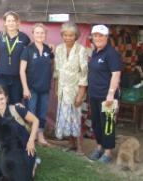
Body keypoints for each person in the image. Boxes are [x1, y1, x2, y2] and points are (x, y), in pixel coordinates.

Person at [88, 25, 121, 163]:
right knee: (96, 124)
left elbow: (116, 74)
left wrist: (110, 94)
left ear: (106, 37)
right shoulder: (95, 52)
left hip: (107, 96)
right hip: (94, 95)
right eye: (95, 35)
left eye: (101, 35)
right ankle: (100, 147)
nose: (98, 38)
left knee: (107, 125)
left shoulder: (111, 53)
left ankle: (108, 153)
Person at [0, 84, 39, 177]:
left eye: (2, 99)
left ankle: (34, 163)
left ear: (6, 98)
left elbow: (36, 120)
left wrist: (31, 140)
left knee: (24, 176)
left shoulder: (16, 109)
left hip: (25, 148)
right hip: (10, 151)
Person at [54, 22, 88, 155]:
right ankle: (71, 143)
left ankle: (80, 146)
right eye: (65, 35)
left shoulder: (81, 50)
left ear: (76, 36)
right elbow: (56, 71)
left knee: (76, 117)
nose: (68, 37)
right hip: (62, 90)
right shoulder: (59, 49)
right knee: (65, 117)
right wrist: (57, 89)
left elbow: (84, 73)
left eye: (71, 35)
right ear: (62, 35)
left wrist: (80, 95)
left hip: (75, 90)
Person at [20, 23, 54, 146]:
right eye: (37, 32)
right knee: (31, 112)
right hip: (31, 88)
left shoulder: (48, 49)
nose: (40, 35)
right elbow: (22, 70)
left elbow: (52, 65)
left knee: (42, 112)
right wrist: (25, 88)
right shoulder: (27, 49)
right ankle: (31, 136)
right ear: (33, 34)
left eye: (42, 33)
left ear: (45, 35)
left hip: (44, 87)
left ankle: (40, 135)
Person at [0, 11, 30, 104]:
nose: (11, 23)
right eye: (8, 21)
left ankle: (15, 119)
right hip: (2, 75)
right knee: (1, 102)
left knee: (16, 102)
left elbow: (31, 50)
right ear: (5, 22)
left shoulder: (24, 37)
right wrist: (0, 59)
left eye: (13, 20)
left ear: (17, 22)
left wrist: (49, 45)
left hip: (17, 76)